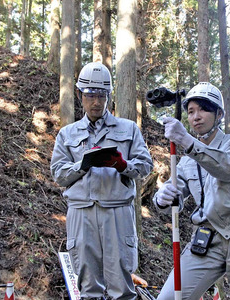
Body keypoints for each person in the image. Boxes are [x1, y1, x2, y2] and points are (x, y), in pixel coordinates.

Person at [153, 82, 230, 300]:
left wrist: (187, 142)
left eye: (203, 109)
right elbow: (173, 194)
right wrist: (162, 198)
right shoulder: (187, 162)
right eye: (190, 112)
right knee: (170, 297)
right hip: (207, 236)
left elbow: (228, 168)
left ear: (218, 114)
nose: (196, 116)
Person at [50, 62, 153, 300]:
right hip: (81, 212)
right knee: (87, 284)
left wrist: (123, 165)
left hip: (117, 211)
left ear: (108, 96)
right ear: (79, 95)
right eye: (90, 95)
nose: (96, 102)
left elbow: (146, 165)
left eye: (101, 95)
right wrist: (82, 165)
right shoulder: (68, 134)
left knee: (121, 283)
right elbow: (58, 173)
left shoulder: (128, 129)